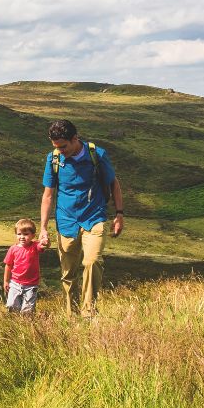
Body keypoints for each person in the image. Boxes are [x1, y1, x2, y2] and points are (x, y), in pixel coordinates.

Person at [37, 120, 125, 316]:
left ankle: (88, 313)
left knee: (92, 261)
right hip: (66, 221)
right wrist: (43, 228)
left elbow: (114, 184)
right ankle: (72, 315)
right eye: (56, 147)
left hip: (94, 217)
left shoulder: (97, 155)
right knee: (68, 274)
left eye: (63, 146)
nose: (60, 151)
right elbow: (48, 195)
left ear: (75, 139)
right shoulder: (53, 159)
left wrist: (119, 214)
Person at [3, 218, 43, 314]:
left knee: (27, 310)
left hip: (31, 284)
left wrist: (45, 241)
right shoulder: (13, 249)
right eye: (19, 234)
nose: (22, 237)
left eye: (26, 234)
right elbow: (8, 266)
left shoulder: (35, 246)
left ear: (33, 235)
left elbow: (43, 246)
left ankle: (27, 325)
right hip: (15, 283)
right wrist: (6, 281)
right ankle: (14, 324)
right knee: (11, 306)